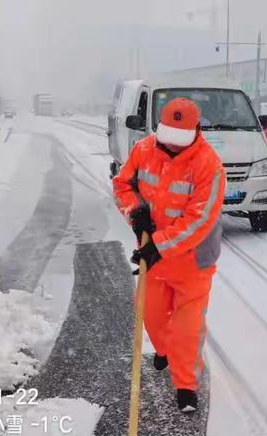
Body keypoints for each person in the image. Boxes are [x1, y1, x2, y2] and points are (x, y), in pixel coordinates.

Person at [113, 98, 226, 413]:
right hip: (155, 254)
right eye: (168, 138)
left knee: (186, 329)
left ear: (195, 131)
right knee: (149, 312)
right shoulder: (143, 151)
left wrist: (158, 245)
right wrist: (135, 212)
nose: (173, 147)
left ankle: (186, 387)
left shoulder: (209, 165)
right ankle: (164, 350)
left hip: (192, 259)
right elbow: (122, 185)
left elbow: (199, 221)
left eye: (181, 140)